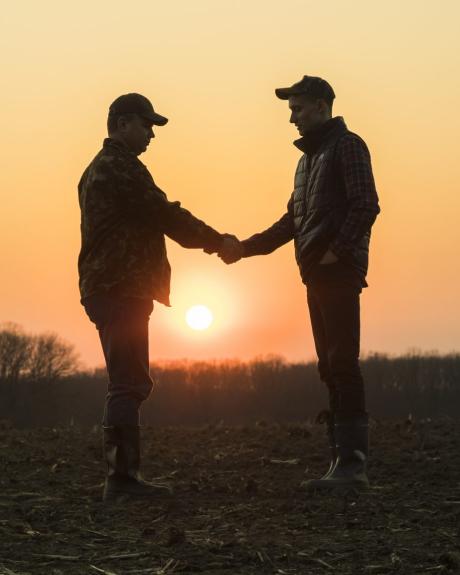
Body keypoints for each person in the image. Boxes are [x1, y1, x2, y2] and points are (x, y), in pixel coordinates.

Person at [218, 76, 380, 489]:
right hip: (316, 275)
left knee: (343, 362)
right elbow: (291, 222)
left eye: (298, 108)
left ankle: (353, 465)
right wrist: (244, 248)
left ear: (323, 106)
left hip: (338, 272)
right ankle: (339, 462)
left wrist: (337, 252)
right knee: (329, 366)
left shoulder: (348, 146)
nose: (292, 117)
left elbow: (366, 205)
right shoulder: (307, 162)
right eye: (291, 110)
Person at [78, 93, 239, 502]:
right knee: (128, 382)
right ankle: (122, 480)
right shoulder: (120, 168)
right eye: (146, 125)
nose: (151, 134)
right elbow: (164, 214)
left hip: (111, 287)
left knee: (126, 380)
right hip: (121, 287)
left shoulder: (100, 169)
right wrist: (215, 241)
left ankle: (123, 477)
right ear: (122, 123)